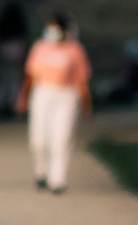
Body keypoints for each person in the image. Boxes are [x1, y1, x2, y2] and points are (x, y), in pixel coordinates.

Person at [16, 12, 92, 194]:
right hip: (43, 92)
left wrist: (87, 102)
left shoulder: (75, 50)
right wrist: (23, 98)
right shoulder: (40, 47)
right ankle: (40, 170)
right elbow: (30, 75)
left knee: (61, 137)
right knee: (38, 138)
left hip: (66, 94)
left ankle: (57, 178)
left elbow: (81, 79)